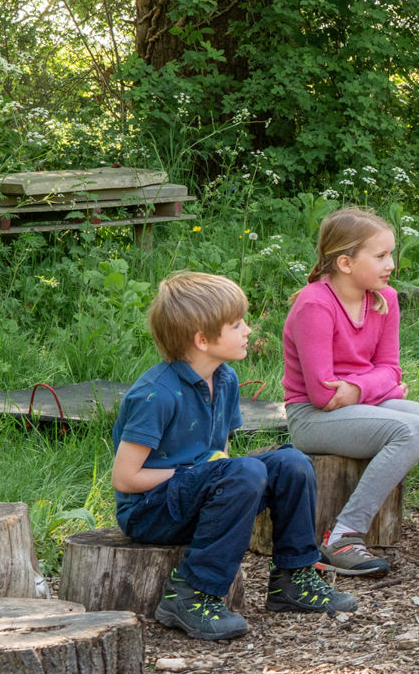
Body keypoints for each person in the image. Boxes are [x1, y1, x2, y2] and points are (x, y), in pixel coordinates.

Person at [111, 272, 354, 641]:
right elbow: (125, 479)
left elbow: (219, 454)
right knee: (241, 471)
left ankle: (292, 578)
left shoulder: (224, 379)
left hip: (197, 495)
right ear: (202, 340)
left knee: (292, 463)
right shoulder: (155, 395)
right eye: (237, 324)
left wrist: (214, 472)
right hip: (150, 511)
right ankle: (192, 593)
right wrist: (200, 473)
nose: (249, 330)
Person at [284, 207, 419, 574]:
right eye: (381, 256)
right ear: (345, 263)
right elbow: (324, 396)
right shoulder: (314, 304)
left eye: (391, 254)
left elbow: (392, 369)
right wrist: (382, 386)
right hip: (312, 418)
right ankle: (342, 536)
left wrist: (360, 387)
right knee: (412, 429)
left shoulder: (385, 299)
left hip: (362, 403)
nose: (391, 264)